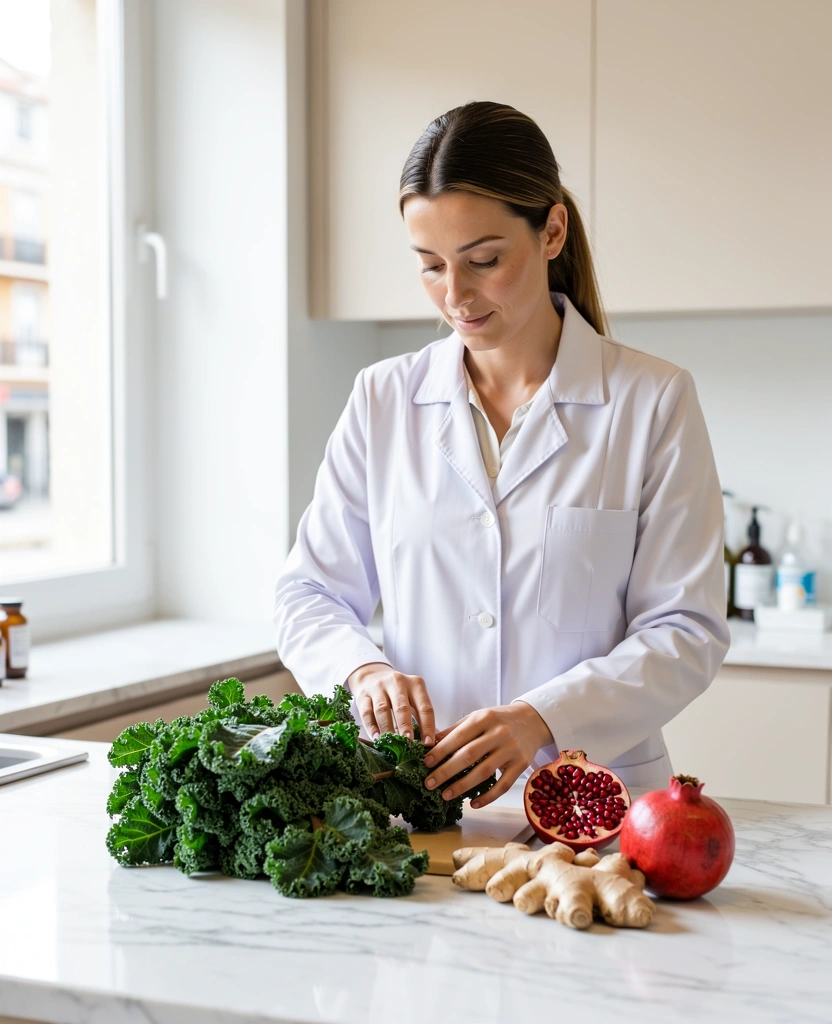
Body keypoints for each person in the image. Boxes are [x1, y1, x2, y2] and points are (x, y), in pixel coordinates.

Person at [274, 101, 729, 809]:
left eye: (484, 261)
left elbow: (685, 630)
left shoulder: (653, 400)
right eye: (430, 266)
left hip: (597, 804)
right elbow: (310, 593)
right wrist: (361, 670)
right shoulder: (384, 397)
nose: (455, 296)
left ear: (551, 230)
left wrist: (544, 718)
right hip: (418, 803)